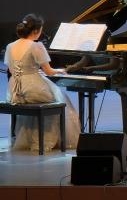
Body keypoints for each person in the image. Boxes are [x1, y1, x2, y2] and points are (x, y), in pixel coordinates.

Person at [5, 14, 81, 151]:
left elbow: (12, 69)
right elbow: (49, 71)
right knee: (60, 98)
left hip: (14, 89)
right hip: (32, 88)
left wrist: (31, 71)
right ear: (36, 31)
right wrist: (60, 70)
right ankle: (46, 141)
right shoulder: (36, 46)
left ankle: (29, 140)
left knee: (43, 100)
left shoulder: (10, 46)